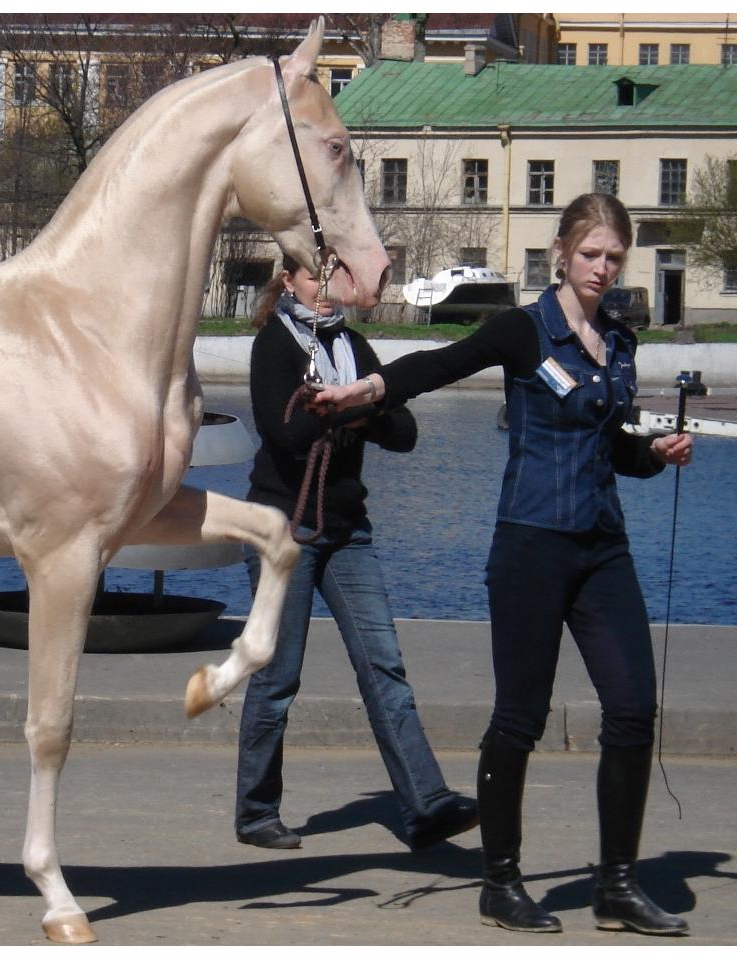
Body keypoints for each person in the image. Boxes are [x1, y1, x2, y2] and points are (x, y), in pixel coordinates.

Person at [309, 193, 693, 936]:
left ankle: (616, 884)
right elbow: (442, 362)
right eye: (591, 255)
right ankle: (502, 880)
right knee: (521, 717)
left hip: (602, 546)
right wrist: (372, 388)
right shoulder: (524, 329)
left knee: (634, 708)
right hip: (530, 546)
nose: (603, 269)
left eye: (614, 257)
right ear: (561, 251)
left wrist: (655, 453)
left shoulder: (620, 342)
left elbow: (617, 449)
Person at [234, 254, 479, 853]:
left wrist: (350, 405)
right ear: (288, 281)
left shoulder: (354, 347)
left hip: (349, 531)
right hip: (281, 529)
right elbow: (285, 434)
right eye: (312, 277)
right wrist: (352, 413)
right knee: (277, 676)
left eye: (332, 278)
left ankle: (426, 804)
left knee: (384, 666)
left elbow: (405, 434)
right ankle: (256, 811)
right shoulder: (274, 345)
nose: (324, 289)